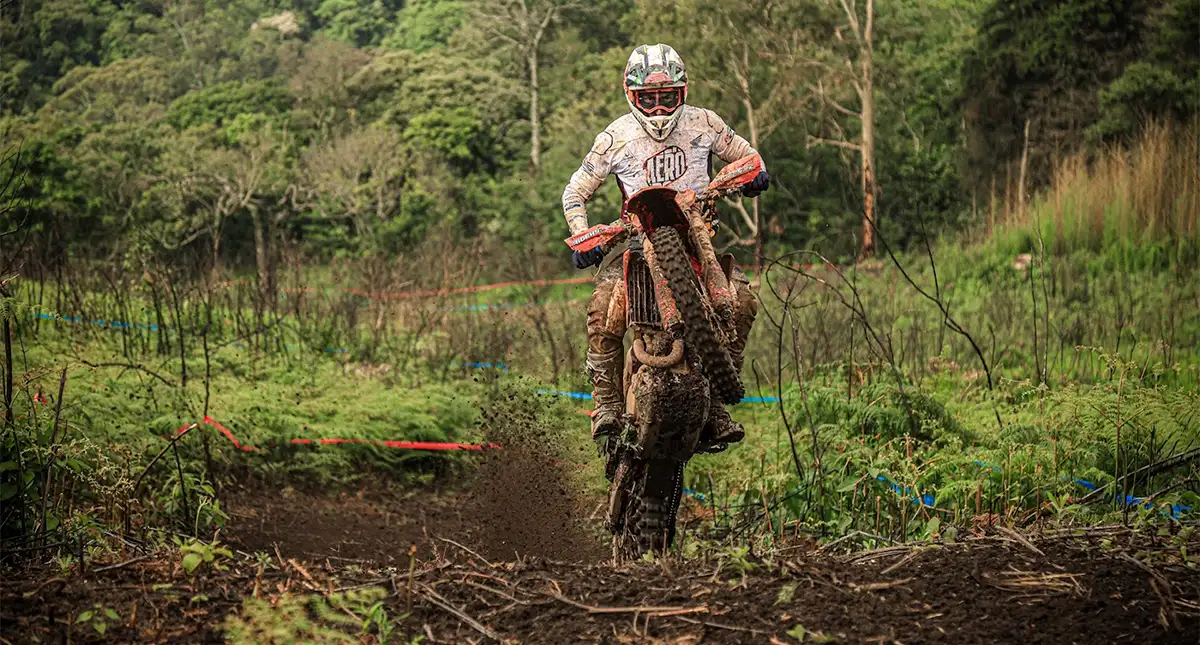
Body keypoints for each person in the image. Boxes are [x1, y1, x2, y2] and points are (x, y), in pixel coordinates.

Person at [562, 43, 769, 452]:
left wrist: (754, 173)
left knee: (742, 300)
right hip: (637, 238)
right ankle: (605, 403)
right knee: (604, 308)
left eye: (666, 97)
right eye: (648, 99)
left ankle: (717, 403)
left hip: (698, 233)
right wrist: (582, 234)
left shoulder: (704, 123)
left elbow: (747, 155)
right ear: (631, 95)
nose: (658, 109)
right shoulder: (615, 136)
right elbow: (575, 191)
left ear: (682, 93)